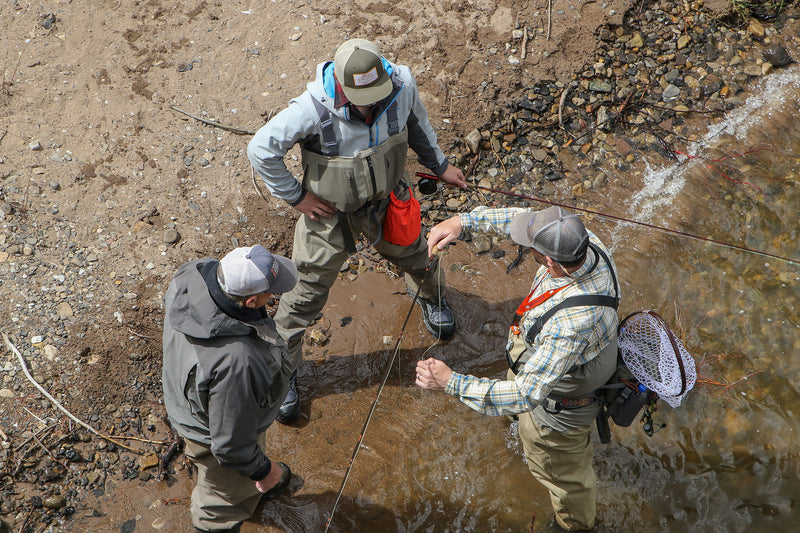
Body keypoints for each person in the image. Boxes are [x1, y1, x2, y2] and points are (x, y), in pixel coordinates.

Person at [247, 38, 467, 423]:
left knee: (419, 255)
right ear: (343, 86)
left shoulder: (402, 84)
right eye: (363, 98)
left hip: (387, 203)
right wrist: (297, 198)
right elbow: (261, 150)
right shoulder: (310, 108)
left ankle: (432, 299)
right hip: (327, 215)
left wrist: (440, 165)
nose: (373, 103)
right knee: (302, 293)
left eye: (377, 94)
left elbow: (418, 124)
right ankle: (283, 373)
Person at [416, 206, 620, 532]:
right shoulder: (585, 243)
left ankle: (577, 526)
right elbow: (522, 217)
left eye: (532, 248)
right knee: (517, 412)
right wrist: (461, 222)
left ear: (549, 261)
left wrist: (451, 382)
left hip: (557, 410)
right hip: (552, 361)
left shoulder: (572, 324)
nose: (526, 246)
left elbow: (526, 394)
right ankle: (516, 429)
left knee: (565, 479)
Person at [162, 245, 300, 533]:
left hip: (181, 394)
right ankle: (217, 522)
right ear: (251, 302)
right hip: (207, 430)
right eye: (270, 293)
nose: (274, 297)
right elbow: (231, 445)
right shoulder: (238, 361)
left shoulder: (195, 273)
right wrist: (264, 471)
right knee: (222, 499)